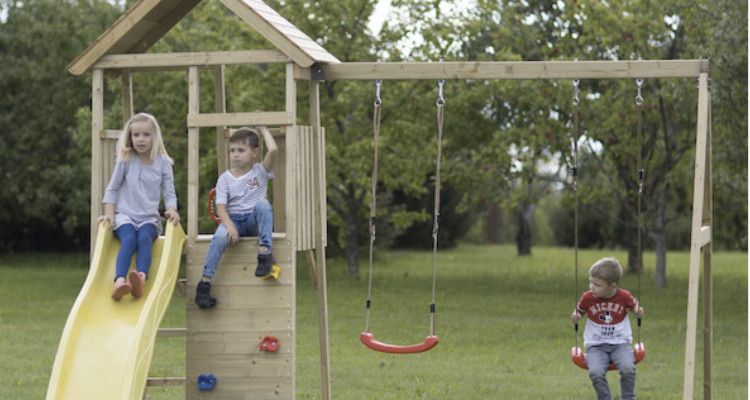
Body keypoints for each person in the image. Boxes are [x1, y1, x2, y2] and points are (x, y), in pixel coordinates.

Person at [195, 126, 278, 309]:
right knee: (218, 238)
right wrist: (230, 227)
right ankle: (205, 284)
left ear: (254, 152)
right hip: (234, 220)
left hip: (253, 220)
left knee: (263, 204)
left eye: (241, 150)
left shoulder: (260, 171)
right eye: (232, 150)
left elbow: (273, 150)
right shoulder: (225, 178)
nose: (235, 155)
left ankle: (264, 254)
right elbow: (221, 207)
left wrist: (263, 128)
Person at [100, 112, 180, 301]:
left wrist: (171, 209)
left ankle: (140, 279)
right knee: (129, 240)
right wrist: (109, 216)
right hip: (125, 215)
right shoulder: (126, 160)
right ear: (130, 137)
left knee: (144, 238)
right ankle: (119, 281)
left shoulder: (163, 163)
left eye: (146, 135)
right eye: (136, 135)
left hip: (149, 217)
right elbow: (112, 189)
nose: (141, 139)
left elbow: (169, 191)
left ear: (155, 137)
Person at [570, 257, 645, 400]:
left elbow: (636, 308)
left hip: (620, 344)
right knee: (595, 373)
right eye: (591, 282)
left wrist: (638, 312)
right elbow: (578, 311)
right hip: (596, 345)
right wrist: (576, 316)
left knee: (628, 369)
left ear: (613, 286)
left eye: (597, 284)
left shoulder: (624, 296)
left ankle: (628, 397)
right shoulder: (587, 298)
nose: (592, 287)